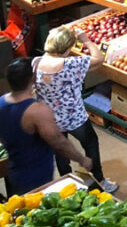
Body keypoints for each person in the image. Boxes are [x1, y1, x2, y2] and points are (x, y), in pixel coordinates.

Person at [34, 27, 117, 191]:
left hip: (50, 120)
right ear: (67, 48)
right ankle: (99, 181)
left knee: (60, 150)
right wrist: (85, 40)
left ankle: (69, 184)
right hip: (74, 118)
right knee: (90, 143)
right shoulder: (71, 64)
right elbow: (99, 59)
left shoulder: (35, 62)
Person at [0, 58, 93, 195]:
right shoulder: (37, 111)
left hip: (14, 169)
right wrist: (81, 159)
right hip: (36, 174)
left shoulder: (1, 103)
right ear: (32, 78)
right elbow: (58, 142)